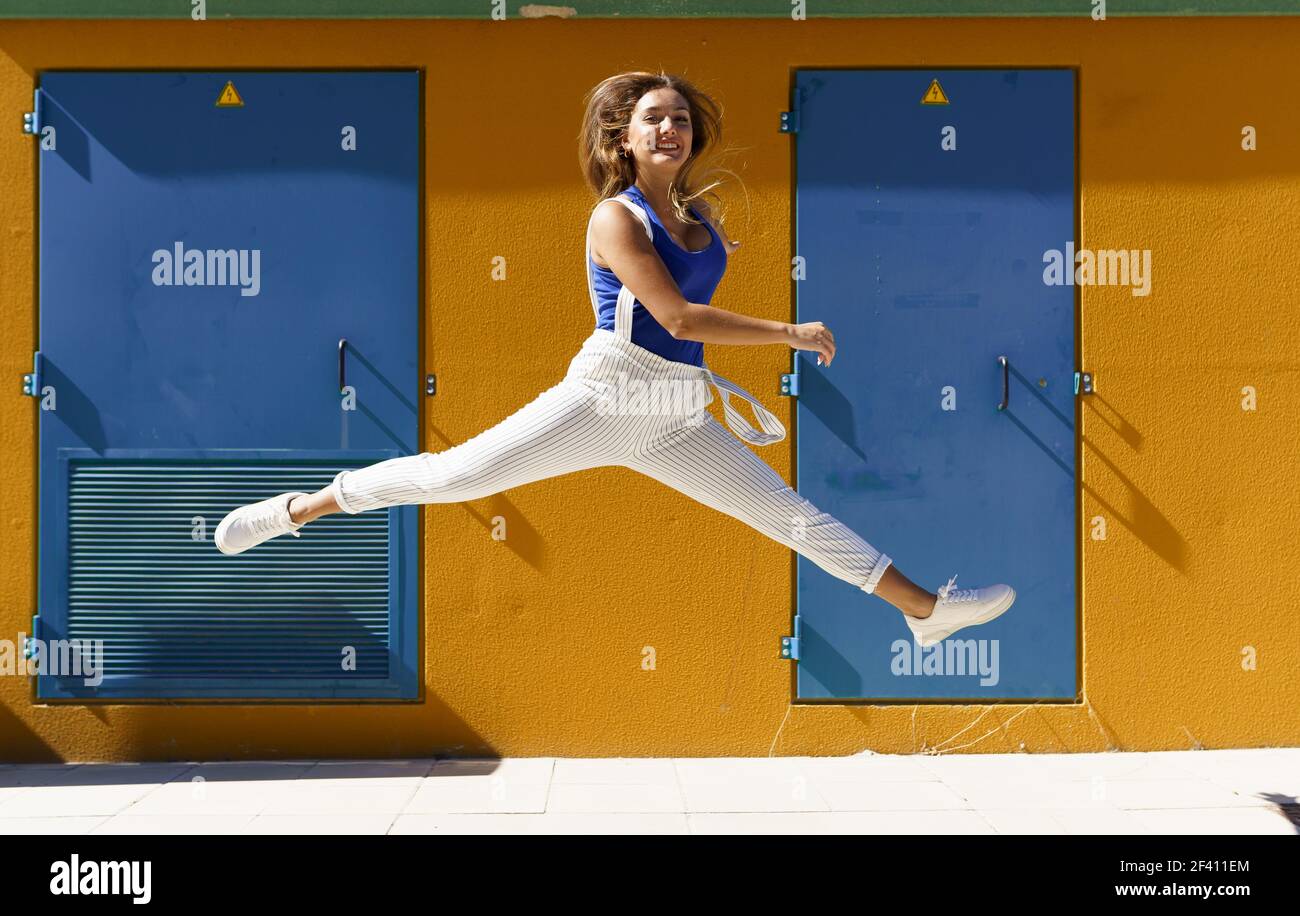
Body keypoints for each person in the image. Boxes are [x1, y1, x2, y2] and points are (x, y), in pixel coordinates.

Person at [214, 70, 1015, 647]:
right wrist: (786, 333)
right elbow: (672, 313)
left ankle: (924, 611)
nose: (672, 128)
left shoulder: (699, 216)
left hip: (675, 409)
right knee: (455, 476)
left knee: (789, 516)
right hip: (610, 393)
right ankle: (302, 509)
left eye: (680, 119)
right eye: (654, 119)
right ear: (622, 139)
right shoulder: (614, 218)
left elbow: (687, 318)